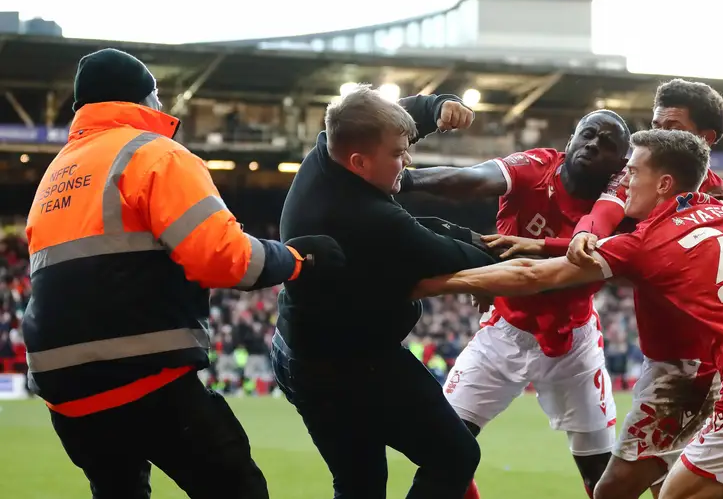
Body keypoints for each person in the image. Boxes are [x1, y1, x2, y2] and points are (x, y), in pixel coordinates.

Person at [413, 129, 723, 499]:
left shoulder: (649, 239)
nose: (622, 181)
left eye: (633, 172)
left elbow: (534, 276)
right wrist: (543, 242)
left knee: (671, 496)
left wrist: (435, 283)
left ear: (664, 183)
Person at [23, 48, 346, 499]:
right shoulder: (153, 154)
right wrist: (294, 260)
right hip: (142, 373)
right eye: (157, 96)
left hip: (65, 392)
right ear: (144, 99)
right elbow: (223, 256)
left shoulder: (55, 174)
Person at [273, 84, 498, 499]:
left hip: (301, 352)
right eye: (397, 154)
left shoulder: (328, 150)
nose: (407, 161)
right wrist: (493, 257)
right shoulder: (364, 218)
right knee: (453, 455)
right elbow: (453, 256)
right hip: (352, 365)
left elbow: (378, 116)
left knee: (360, 485)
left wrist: (435, 107)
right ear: (359, 162)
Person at [397, 109, 630, 498]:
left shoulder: (619, 194)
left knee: (600, 473)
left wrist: (530, 253)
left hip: (573, 342)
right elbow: (470, 180)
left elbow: (595, 244)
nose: (593, 145)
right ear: (570, 140)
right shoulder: (537, 167)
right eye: (587, 134)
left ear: (620, 163)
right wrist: (401, 179)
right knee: (441, 448)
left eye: (607, 144)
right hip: (505, 331)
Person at [563, 78, 723, 499]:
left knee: (635, 489)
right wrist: (585, 233)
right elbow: (604, 211)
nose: (660, 132)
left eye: (673, 125)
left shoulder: (720, 203)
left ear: (705, 138)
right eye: (656, 122)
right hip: (668, 361)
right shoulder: (640, 175)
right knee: (654, 486)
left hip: (708, 365)